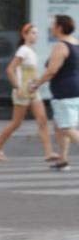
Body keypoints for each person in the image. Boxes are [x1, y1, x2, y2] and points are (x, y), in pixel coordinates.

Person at [0, 23, 58, 162]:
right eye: (32, 32)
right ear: (24, 35)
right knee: (16, 123)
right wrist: (17, 87)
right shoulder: (23, 50)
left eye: (36, 32)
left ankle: (49, 152)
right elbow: (10, 69)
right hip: (22, 91)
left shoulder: (31, 51)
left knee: (43, 120)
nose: (35, 35)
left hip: (33, 91)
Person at [29, 15, 79, 171]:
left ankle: (63, 161)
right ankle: (62, 161)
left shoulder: (61, 46)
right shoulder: (75, 43)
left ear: (59, 27)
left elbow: (52, 71)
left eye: (53, 25)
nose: (50, 27)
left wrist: (36, 84)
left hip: (65, 91)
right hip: (73, 89)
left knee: (67, 128)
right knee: (59, 126)